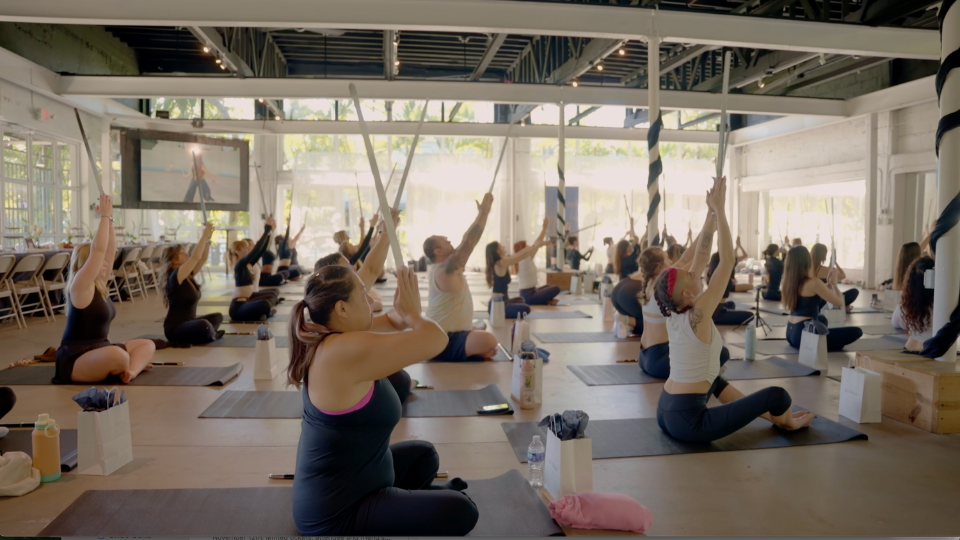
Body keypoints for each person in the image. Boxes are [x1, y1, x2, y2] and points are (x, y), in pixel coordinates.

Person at [289, 266, 478, 536]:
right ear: (342, 309)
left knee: (423, 455)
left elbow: (392, 321)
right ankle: (418, 504)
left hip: (363, 480)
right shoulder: (341, 352)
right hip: (337, 513)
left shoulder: (329, 336)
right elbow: (436, 340)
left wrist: (404, 310)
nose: (370, 301)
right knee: (462, 511)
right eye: (363, 294)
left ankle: (414, 502)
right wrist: (414, 315)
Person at [653, 178, 814, 443]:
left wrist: (711, 214)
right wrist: (722, 209)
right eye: (690, 274)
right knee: (778, 395)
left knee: (715, 377)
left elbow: (702, 256)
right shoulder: (698, 312)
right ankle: (787, 423)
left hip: (665, 409)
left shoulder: (673, 312)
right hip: (689, 421)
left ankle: (772, 416)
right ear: (688, 294)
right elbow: (727, 261)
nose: (694, 271)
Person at [53, 194, 156, 384]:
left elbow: (109, 250)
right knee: (119, 356)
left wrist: (110, 219)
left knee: (147, 344)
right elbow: (99, 250)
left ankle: (130, 372)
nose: (106, 264)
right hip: (76, 358)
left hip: (100, 349)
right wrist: (104, 217)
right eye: (101, 262)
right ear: (88, 264)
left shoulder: (99, 283)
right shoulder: (80, 285)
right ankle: (125, 365)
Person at [638, 204, 730, 379]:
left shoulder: (650, 283)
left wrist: (709, 219)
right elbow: (700, 258)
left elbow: (686, 256)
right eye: (667, 259)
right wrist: (713, 218)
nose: (672, 261)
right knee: (722, 353)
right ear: (658, 266)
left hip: (645, 355)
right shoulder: (664, 284)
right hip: (659, 360)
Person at [422, 193, 499, 361]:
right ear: (438, 251)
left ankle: (472, 344)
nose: (450, 241)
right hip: (442, 339)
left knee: (480, 326)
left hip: (444, 334)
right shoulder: (445, 271)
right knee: (490, 340)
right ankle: (474, 349)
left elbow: (465, 245)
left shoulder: (441, 268)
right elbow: (468, 243)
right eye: (445, 240)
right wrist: (484, 213)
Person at [781, 246, 863, 352]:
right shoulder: (813, 282)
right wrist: (834, 285)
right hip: (804, 336)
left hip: (791, 333)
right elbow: (839, 303)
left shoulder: (788, 283)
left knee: (822, 319)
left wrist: (828, 284)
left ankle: (823, 339)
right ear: (807, 261)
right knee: (857, 331)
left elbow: (812, 291)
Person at [161, 222, 224, 346]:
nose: (186, 254)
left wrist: (208, 238)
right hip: (175, 328)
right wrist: (204, 235)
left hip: (189, 324)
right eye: (182, 252)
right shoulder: (176, 275)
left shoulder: (188, 274)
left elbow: (202, 258)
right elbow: (195, 257)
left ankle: (209, 334)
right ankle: (210, 334)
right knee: (204, 325)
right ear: (174, 260)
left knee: (217, 317)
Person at [485, 218, 548, 320]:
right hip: (498, 305)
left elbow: (519, 254)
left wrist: (536, 244)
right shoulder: (501, 262)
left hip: (502, 301)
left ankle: (506, 309)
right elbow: (520, 256)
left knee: (521, 299)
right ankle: (502, 312)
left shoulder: (501, 261)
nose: (504, 246)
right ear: (497, 250)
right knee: (526, 308)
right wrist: (536, 245)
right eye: (501, 246)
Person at [228, 217, 281, 322]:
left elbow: (261, 251)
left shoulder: (247, 264)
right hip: (238, 307)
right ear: (237, 251)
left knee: (272, 296)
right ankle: (262, 313)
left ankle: (261, 313)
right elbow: (257, 249)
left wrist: (269, 232)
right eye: (246, 248)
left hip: (248, 300)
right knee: (265, 304)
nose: (248, 249)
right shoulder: (239, 265)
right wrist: (267, 228)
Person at [705, 251, 753, 326]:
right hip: (717, 313)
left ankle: (725, 314)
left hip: (713, 307)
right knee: (750, 315)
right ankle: (717, 319)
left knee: (731, 304)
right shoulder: (722, 276)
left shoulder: (711, 274)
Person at [899, 256, 935, 352]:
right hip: (928, 352)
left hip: (908, 349)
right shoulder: (942, 304)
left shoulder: (907, 301)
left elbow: (899, 323)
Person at [810, 243, 858, 311]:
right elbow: (843, 275)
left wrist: (831, 263)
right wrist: (835, 262)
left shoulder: (807, 269)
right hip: (826, 300)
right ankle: (842, 306)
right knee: (855, 291)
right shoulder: (826, 270)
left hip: (813, 301)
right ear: (823, 255)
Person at [514, 240, 561, 306]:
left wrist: (542, 243)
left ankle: (546, 301)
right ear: (522, 249)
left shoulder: (526, 258)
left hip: (532, 291)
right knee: (556, 288)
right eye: (526, 245)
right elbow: (536, 245)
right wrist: (542, 239)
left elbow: (536, 245)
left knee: (548, 286)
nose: (528, 246)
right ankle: (545, 301)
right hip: (528, 296)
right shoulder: (524, 260)